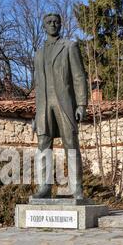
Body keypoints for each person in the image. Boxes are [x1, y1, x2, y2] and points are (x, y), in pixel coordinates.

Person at [32, 13, 88, 199]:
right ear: (44, 26)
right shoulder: (38, 54)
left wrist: (81, 104)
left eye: (56, 22)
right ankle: (44, 187)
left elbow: (79, 77)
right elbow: (38, 86)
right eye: (49, 22)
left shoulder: (69, 46)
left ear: (60, 25)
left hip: (64, 103)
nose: (53, 24)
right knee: (43, 145)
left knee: (70, 143)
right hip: (43, 106)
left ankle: (76, 187)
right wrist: (36, 114)